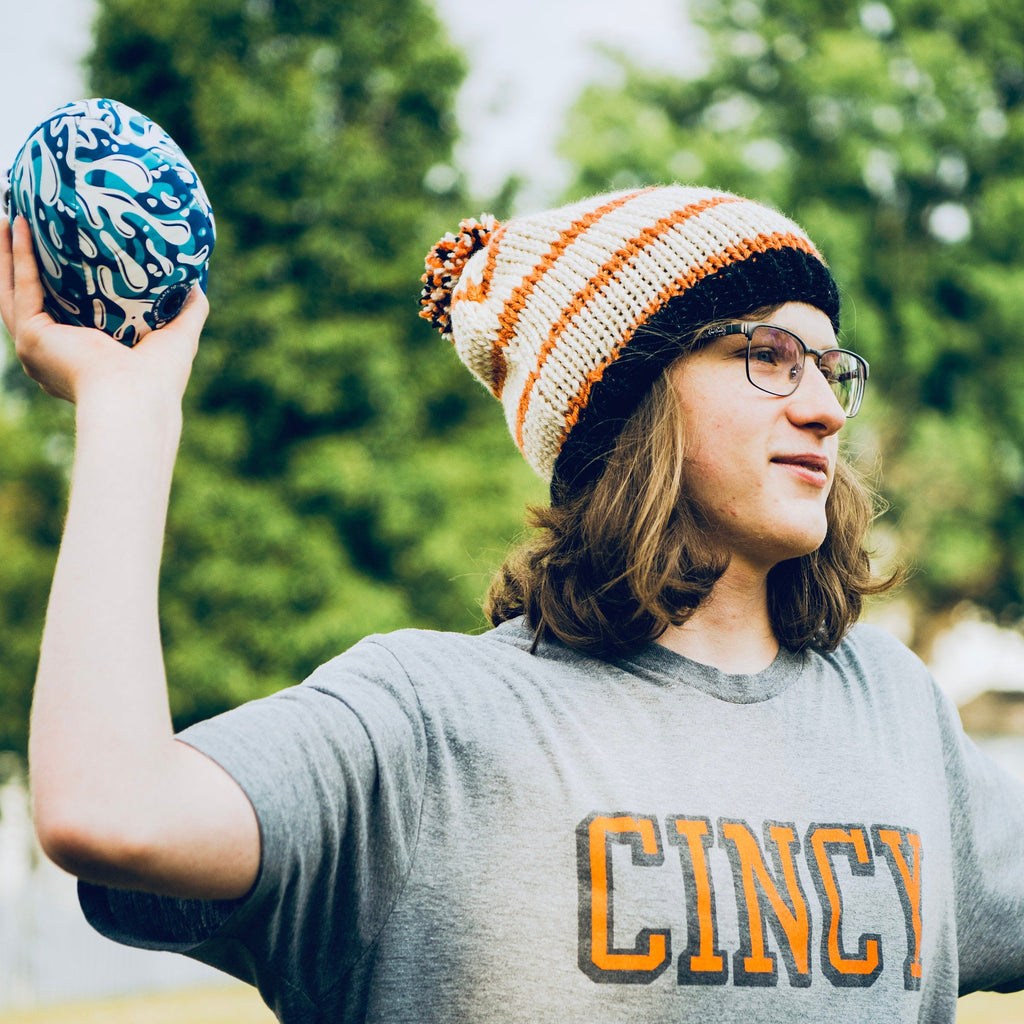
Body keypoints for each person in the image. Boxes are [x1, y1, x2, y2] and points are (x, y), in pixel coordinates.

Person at [2, 184, 1023, 1023]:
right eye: (765, 355)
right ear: (630, 405)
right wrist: (128, 408)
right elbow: (106, 807)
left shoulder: (893, 708)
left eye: (831, 368)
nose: (818, 404)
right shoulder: (426, 723)